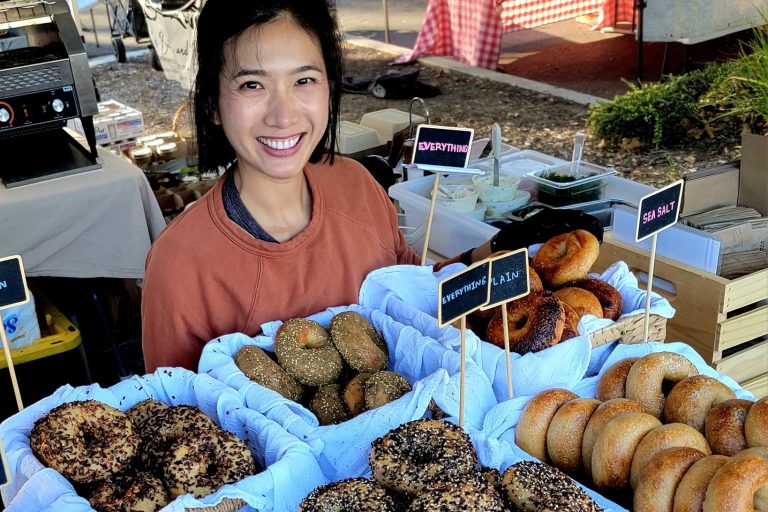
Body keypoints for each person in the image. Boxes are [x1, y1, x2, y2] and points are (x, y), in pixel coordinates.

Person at [140, 0, 567, 373]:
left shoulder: (356, 185)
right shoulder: (180, 265)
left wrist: (497, 252)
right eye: (252, 85)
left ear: (330, 86)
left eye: (304, 80)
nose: (283, 115)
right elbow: (175, 415)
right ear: (213, 104)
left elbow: (416, 294)